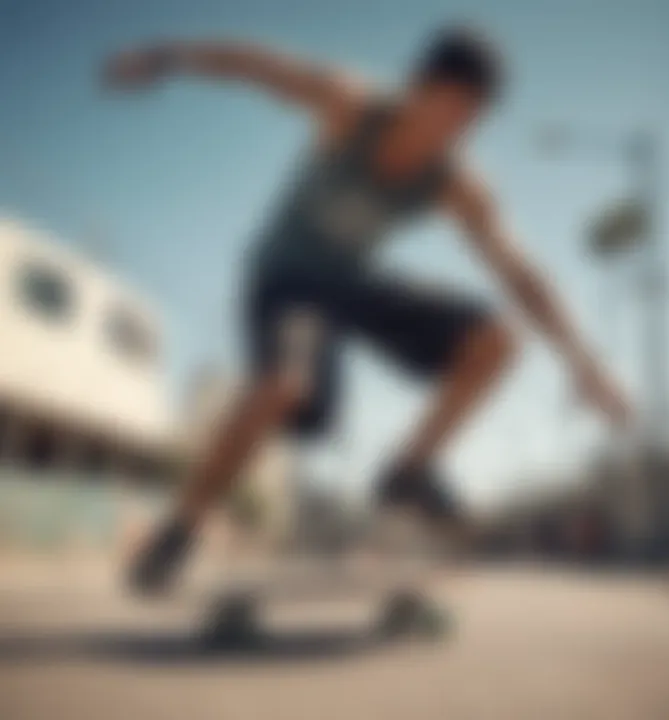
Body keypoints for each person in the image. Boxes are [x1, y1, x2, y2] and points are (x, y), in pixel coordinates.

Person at [104, 26, 630, 593]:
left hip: (351, 284)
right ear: (416, 90)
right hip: (287, 281)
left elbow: (520, 270)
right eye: (443, 113)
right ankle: (180, 528)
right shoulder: (349, 105)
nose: (447, 134)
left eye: (466, 122)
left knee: (496, 340)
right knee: (286, 385)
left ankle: (409, 470)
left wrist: (584, 361)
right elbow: (258, 65)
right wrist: (164, 59)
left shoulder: (456, 180)